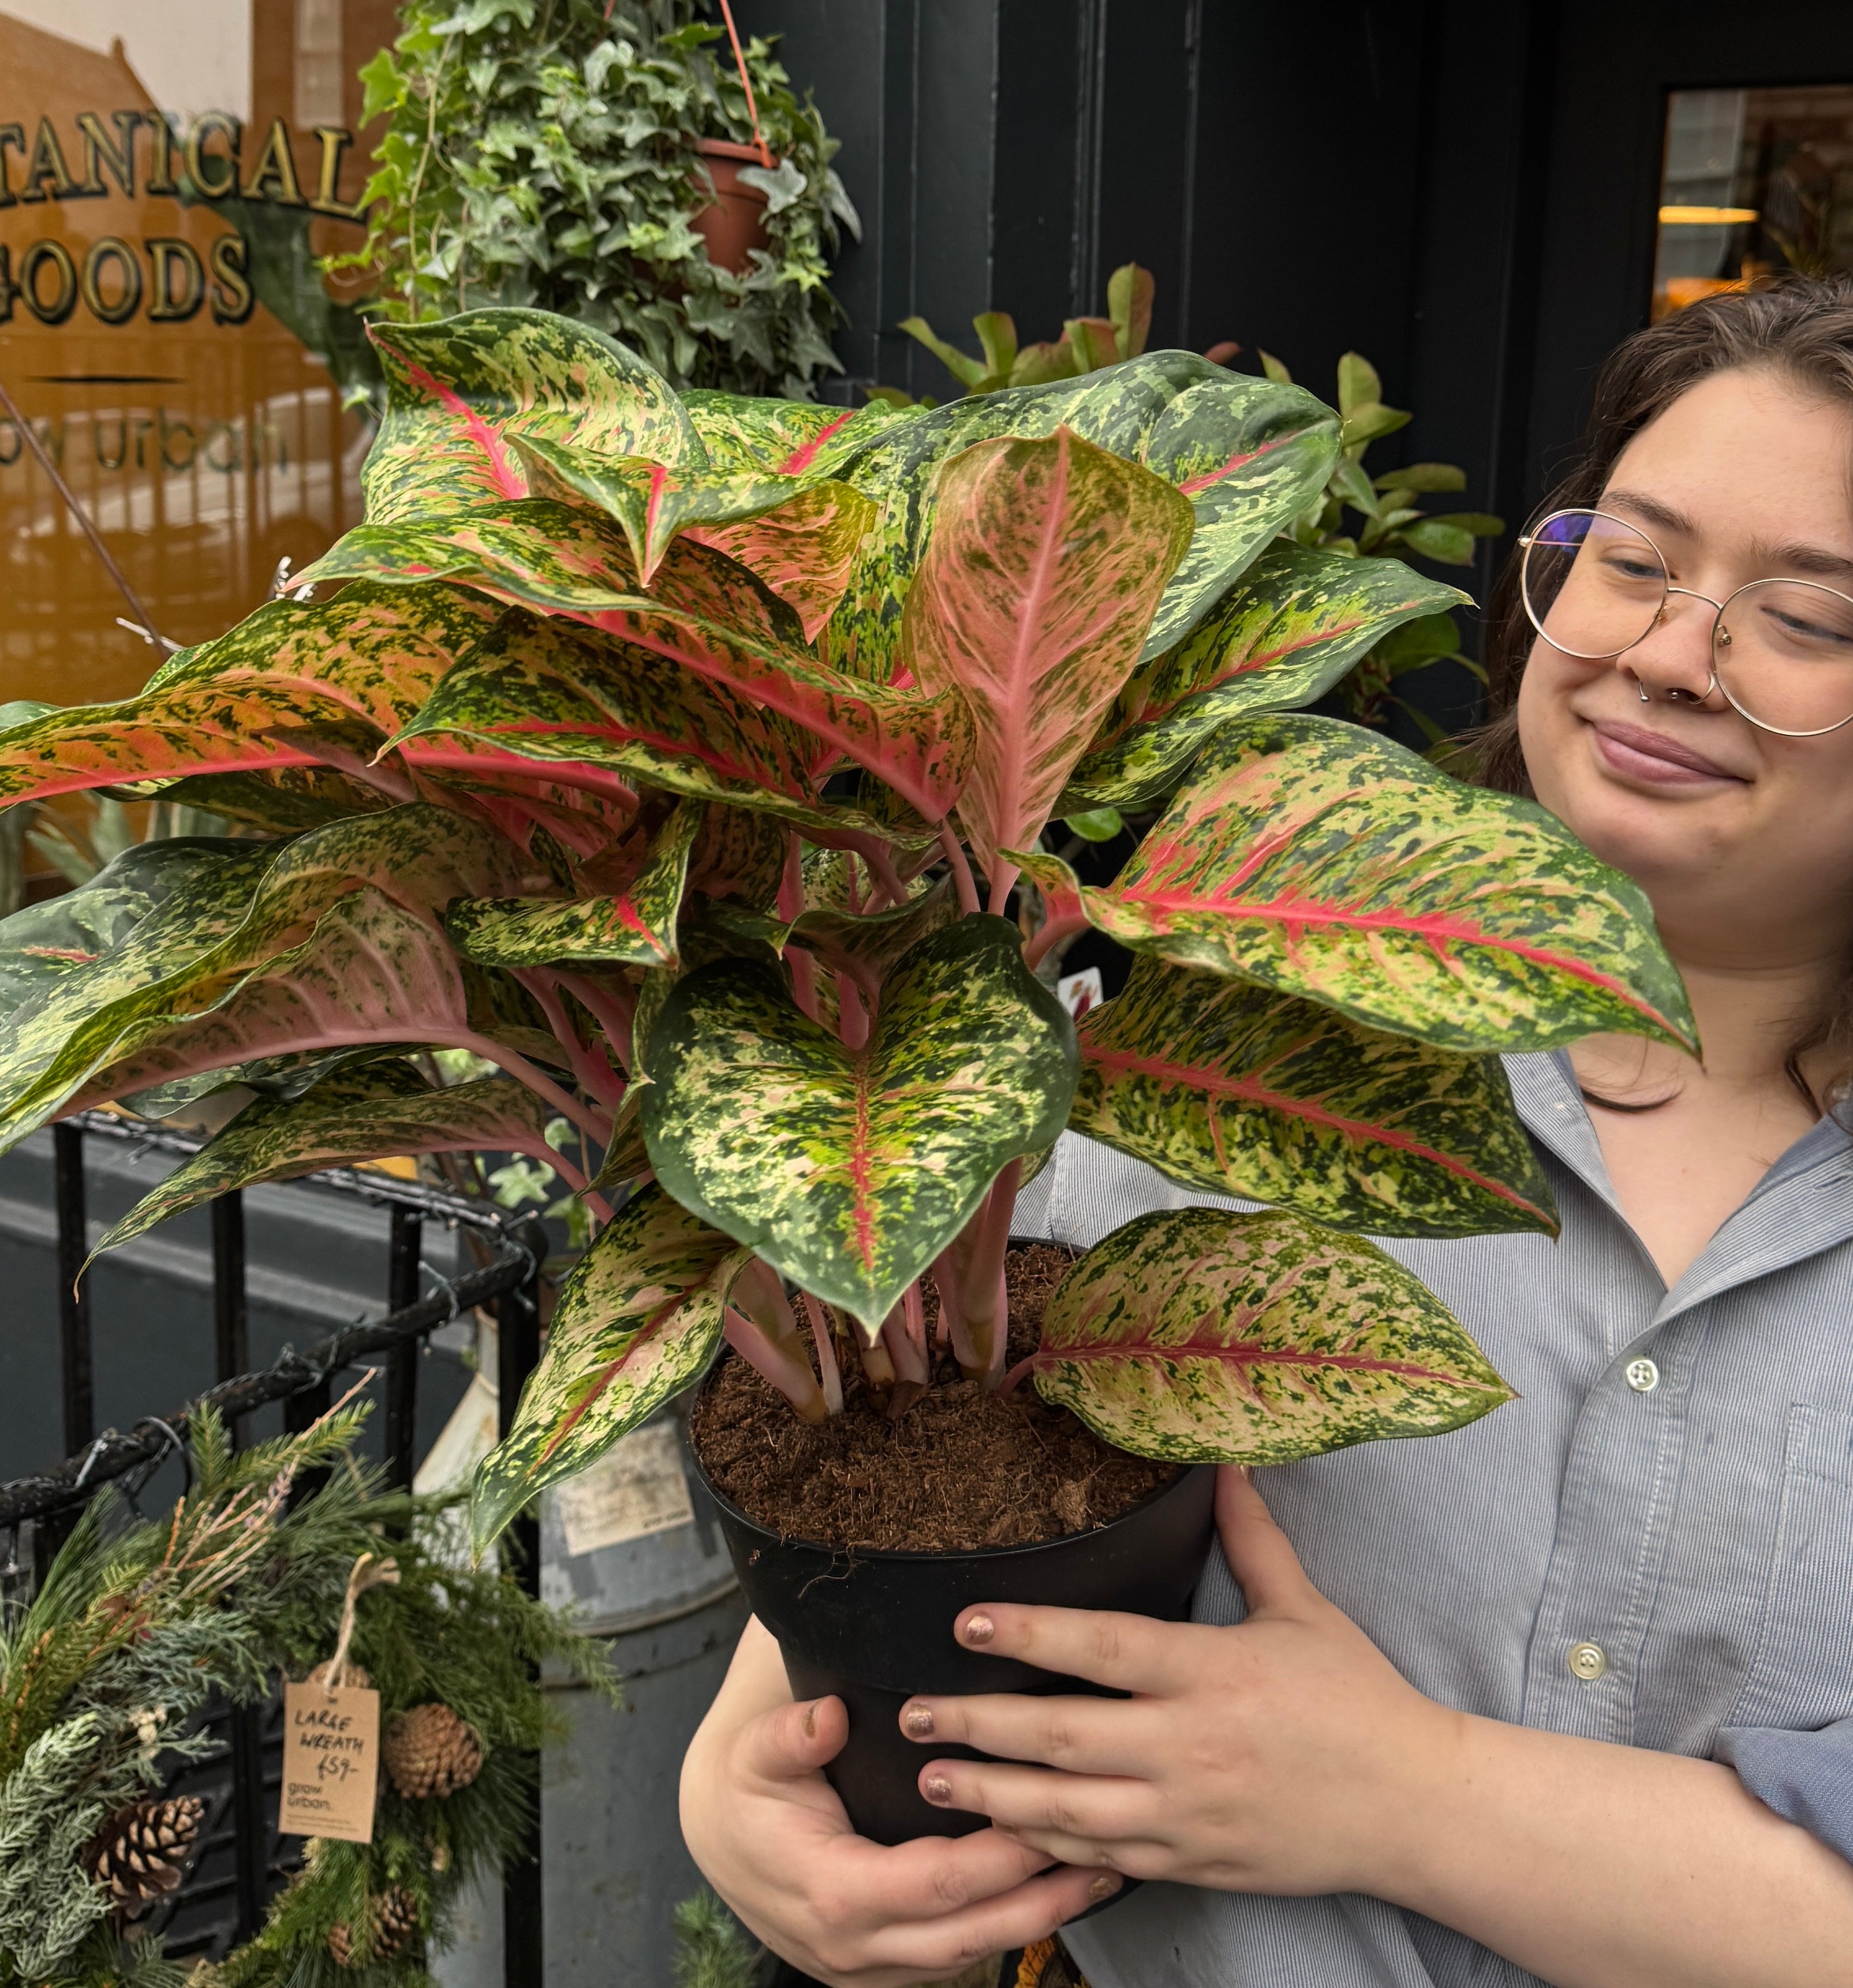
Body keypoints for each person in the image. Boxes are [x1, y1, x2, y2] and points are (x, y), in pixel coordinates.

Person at [679, 275, 1853, 1988]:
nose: (1671, 655)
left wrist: (1399, 1795)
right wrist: (747, 1796)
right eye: (1635, 560)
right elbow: (898, 1489)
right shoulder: (1211, 1040)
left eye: (1809, 620)